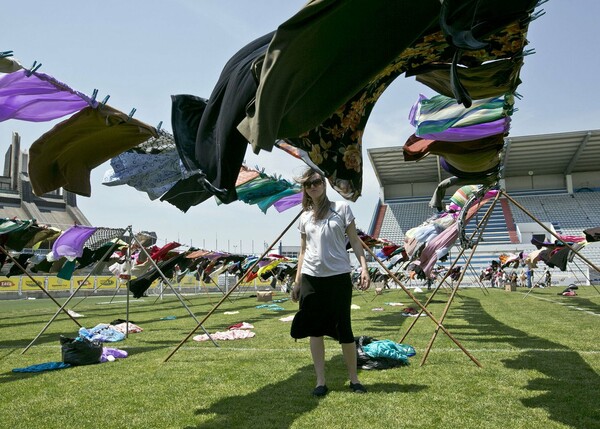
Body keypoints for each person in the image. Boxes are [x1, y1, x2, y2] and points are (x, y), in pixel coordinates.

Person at [290, 168, 370, 397]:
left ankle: (354, 380)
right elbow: (303, 252)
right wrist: (297, 282)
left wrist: (364, 268)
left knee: (344, 329)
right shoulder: (304, 216)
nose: (312, 186)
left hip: (338, 276)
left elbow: (355, 241)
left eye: (316, 181)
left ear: (324, 183)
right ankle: (320, 381)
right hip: (311, 279)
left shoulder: (342, 209)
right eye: (308, 184)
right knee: (315, 331)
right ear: (305, 189)